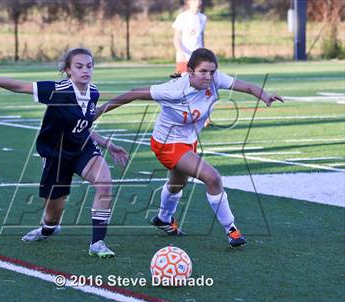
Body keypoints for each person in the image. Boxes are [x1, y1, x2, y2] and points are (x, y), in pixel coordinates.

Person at [96, 48, 283, 247]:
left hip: (187, 141)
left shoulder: (216, 79)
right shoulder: (174, 90)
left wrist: (265, 96)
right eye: (203, 71)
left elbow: (247, 87)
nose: (209, 76)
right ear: (190, 70)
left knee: (177, 184)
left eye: (212, 71)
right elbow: (134, 93)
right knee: (212, 177)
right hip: (166, 144)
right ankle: (232, 230)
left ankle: (163, 219)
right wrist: (100, 110)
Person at [0, 48, 129, 258]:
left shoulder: (93, 92)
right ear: (68, 70)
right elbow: (19, 86)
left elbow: (84, 126)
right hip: (55, 156)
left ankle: (97, 243)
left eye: (89, 66)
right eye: (79, 66)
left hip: (82, 150)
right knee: (52, 216)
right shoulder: (56, 89)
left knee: (104, 182)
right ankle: (47, 229)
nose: (85, 70)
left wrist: (106, 144)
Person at [170, 0, 207, 78]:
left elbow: (201, 36)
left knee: (199, 80)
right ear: (189, 1)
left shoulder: (203, 17)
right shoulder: (182, 17)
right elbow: (176, 38)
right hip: (185, 55)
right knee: (183, 81)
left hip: (198, 55)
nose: (197, 1)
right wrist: (180, 52)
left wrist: (203, 52)